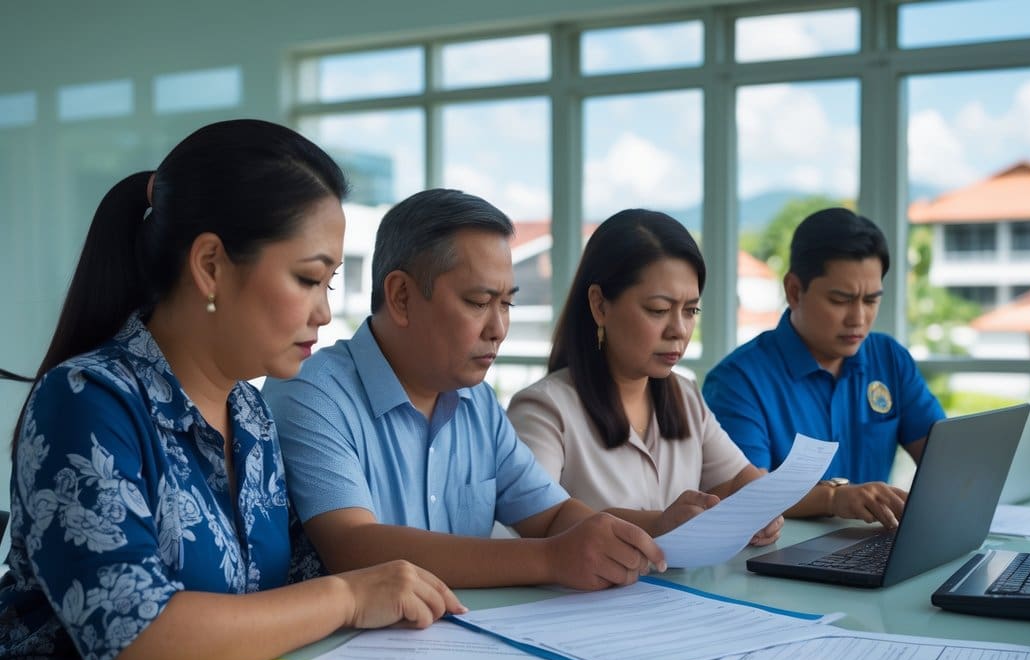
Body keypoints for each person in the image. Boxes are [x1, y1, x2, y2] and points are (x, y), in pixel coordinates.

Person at [0, 120, 463, 660]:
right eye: (308, 278)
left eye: (331, 282)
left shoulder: (250, 414)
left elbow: (293, 586)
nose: (325, 312)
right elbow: (134, 647)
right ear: (211, 266)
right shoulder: (87, 402)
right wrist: (347, 597)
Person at [261, 189, 665, 592]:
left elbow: (552, 516)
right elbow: (353, 546)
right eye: (478, 302)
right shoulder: (311, 393)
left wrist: (657, 531)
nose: (499, 329)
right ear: (401, 296)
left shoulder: (477, 402)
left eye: (506, 304)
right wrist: (551, 557)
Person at [506, 209, 781, 546]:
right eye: (658, 310)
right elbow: (539, 520)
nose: (679, 330)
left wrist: (762, 505)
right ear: (600, 306)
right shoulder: (544, 408)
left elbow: (737, 479)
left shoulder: (685, 394)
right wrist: (660, 524)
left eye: (691, 310)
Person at [703, 207, 945, 530]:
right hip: (778, 560)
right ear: (794, 291)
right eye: (841, 300)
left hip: (873, 549)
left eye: (871, 300)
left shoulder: (889, 359)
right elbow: (747, 494)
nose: (858, 318)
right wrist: (835, 498)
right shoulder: (737, 382)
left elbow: (943, 459)